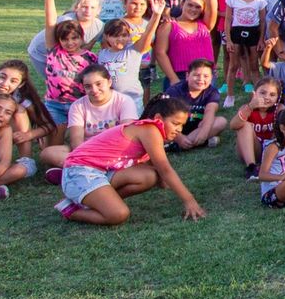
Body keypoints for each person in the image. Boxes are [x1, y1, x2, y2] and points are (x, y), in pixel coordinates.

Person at [54, 96, 207, 224]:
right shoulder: (150, 130)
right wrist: (189, 200)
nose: (179, 130)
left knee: (149, 176)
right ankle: (71, 210)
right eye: (175, 123)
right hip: (79, 172)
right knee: (119, 214)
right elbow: (165, 168)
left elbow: (156, 170)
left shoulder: (149, 132)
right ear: (158, 119)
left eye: (182, 126)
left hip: (101, 172)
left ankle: (100, 201)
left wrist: (162, 181)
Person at [39, 65, 140, 170]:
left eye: (99, 84)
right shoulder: (78, 105)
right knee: (47, 153)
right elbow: (76, 141)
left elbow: (127, 135)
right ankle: (100, 168)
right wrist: (87, 154)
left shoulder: (124, 101)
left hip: (114, 150)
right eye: (88, 86)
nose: (94, 90)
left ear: (109, 82)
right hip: (86, 150)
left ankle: (81, 168)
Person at [40, 0, 98, 133]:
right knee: (51, 147)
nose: (70, 43)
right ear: (59, 40)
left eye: (74, 38)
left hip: (79, 105)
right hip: (54, 104)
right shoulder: (55, 51)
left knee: (77, 142)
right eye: (65, 39)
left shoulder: (90, 58)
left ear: (81, 37)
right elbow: (50, 22)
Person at [154, 0, 219, 88]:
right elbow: (160, 53)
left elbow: (213, 9)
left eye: (198, 7)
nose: (193, 9)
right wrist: (173, 79)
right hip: (179, 76)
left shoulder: (204, 25)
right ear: (182, 4)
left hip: (205, 76)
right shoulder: (169, 25)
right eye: (190, 5)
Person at [27, 0, 103, 80]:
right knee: (56, 79)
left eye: (92, 7)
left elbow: (86, 47)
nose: (88, 11)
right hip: (41, 53)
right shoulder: (66, 22)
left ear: (98, 10)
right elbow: (56, 45)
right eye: (84, 7)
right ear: (76, 8)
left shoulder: (99, 26)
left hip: (65, 53)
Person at [223, 0, 268, 107]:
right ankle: (230, 96)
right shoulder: (232, 0)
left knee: (254, 66)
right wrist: (229, 40)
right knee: (233, 65)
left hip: (253, 33)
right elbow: (228, 20)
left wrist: (261, 39)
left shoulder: (260, 0)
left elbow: (262, 21)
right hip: (236, 32)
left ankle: (259, 95)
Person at [164, 60, 228, 151]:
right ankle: (193, 143)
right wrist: (179, 137)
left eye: (206, 76)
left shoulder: (212, 92)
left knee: (221, 121)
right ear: (187, 76)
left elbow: (210, 112)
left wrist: (204, 132)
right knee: (159, 130)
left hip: (197, 128)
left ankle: (180, 145)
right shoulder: (175, 91)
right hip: (175, 129)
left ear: (211, 78)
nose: (201, 79)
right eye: (196, 75)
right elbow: (165, 118)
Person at [230, 76, 281, 181]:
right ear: (254, 93)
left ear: (277, 98)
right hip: (251, 150)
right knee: (245, 125)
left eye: (272, 95)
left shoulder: (280, 109)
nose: (267, 97)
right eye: (262, 93)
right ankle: (251, 167)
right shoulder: (247, 108)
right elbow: (233, 125)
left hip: (271, 151)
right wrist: (250, 107)